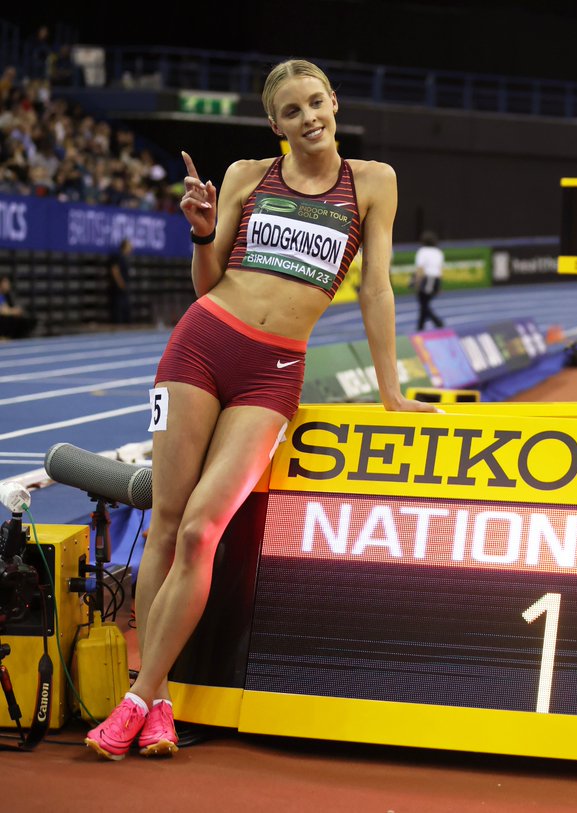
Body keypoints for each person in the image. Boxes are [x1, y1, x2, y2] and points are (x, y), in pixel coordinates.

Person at [83, 58, 437, 762]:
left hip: (275, 371)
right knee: (167, 525)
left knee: (201, 531)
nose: (310, 118)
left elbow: (375, 290)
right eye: (293, 111)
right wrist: (202, 231)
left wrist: (390, 386)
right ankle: (152, 702)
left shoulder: (373, 183)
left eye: (317, 103)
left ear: (334, 103)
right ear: (275, 124)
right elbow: (207, 280)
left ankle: (141, 692)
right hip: (203, 343)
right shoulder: (247, 174)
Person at [413, 229, 445, 331]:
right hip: (435, 280)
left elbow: (420, 269)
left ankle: (437, 322)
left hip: (427, 280)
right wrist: (439, 286)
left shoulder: (422, 252)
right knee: (424, 303)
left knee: (423, 303)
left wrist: (417, 283)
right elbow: (440, 270)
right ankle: (420, 326)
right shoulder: (438, 252)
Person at [0, 274, 37, 338]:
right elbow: (3, 311)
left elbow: (6, 308)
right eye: (6, 282)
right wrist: (15, 311)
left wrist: (15, 311)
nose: (8, 285)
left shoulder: (4, 296)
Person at [108, 238, 133, 324]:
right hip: (118, 290)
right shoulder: (118, 257)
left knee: (126, 311)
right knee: (118, 311)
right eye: (129, 245)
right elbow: (115, 271)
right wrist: (121, 283)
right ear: (125, 246)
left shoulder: (127, 258)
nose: (132, 247)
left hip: (124, 289)